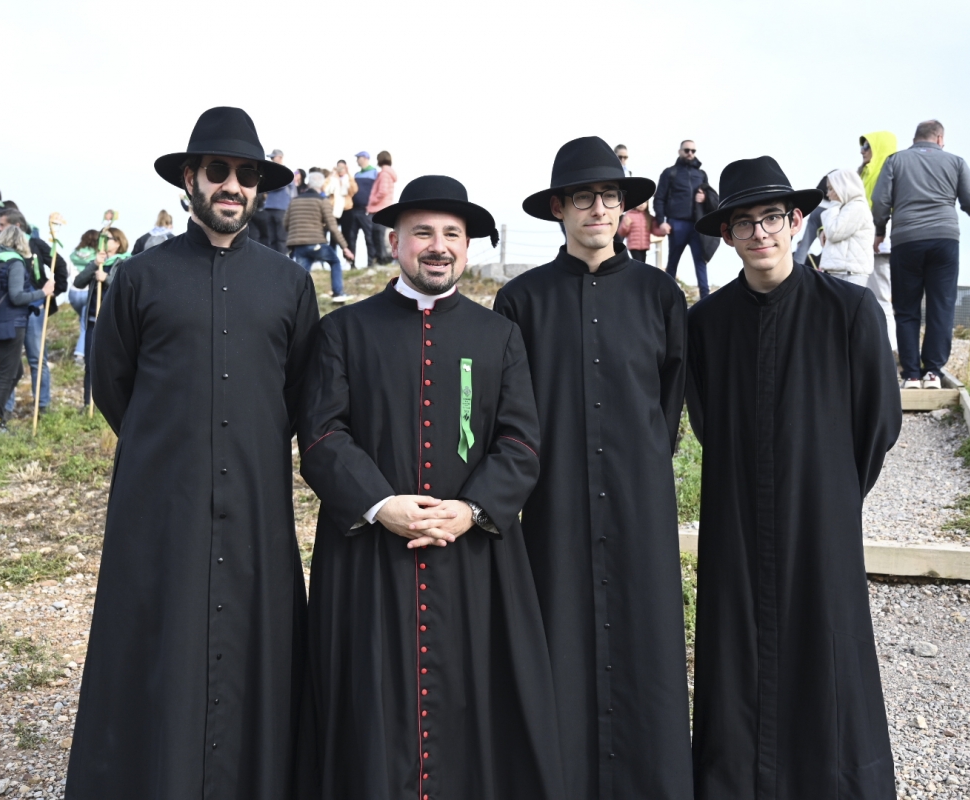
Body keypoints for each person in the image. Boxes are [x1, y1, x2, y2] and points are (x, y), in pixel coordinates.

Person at [66, 107, 319, 800]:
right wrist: (176, 444)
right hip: (161, 502)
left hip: (257, 507)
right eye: (218, 172)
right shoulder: (139, 279)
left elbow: (300, 389)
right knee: (158, 646)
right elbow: (113, 385)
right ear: (191, 178)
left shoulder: (291, 284)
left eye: (245, 175)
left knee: (254, 648)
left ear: (260, 187)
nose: (231, 185)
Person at [299, 174, 564, 800]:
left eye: (453, 234)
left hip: (472, 555)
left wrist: (472, 509)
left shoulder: (497, 335)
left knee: (473, 703)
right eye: (423, 233)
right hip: (370, 554)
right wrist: (381, 503)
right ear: (396, 241)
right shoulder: (343, 331)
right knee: (371, 706)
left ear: (467, 248)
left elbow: (521, 440)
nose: (438, 246)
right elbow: (320, 435)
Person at [686, 156, 901, 799]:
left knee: (828, 650)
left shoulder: (850, 311)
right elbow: (705, 419)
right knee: (735, 654)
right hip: (737, 522)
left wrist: (829, 488)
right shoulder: (707, 324)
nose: (760, 233)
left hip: (821, 517)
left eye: (772, 218)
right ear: (727, 236)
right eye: (744, 222)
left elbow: (878, 422)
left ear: (796, 221)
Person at [493, 137, 694, 800]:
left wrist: (636, 464)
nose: (599, 209)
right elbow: (511, 408)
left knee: (649, 650)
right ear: (559, 209)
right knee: (560, 643)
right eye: (584, 198)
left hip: (640, 505)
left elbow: (669, 402)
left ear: (624, 208)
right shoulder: (521, 302)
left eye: (610, 197)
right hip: (555, 505)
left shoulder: (659, 294)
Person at [871, 120, 970, 389]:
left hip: (906, 240)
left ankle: (912, 374)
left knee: (906, 308)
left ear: (916, 139)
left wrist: (879, 230)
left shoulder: (895, 161)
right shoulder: (955, 162)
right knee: (941, 306)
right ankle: (933, 373)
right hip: (944, 240)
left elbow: (880, 201)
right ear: (939, 138)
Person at [0, 224, 54, 430]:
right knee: (7, 374)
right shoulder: (15, 263)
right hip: (11, 324)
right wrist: (43, 293)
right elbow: (17, 297)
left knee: (15, 370)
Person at [72, 226, 129, 408]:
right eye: (101, 240)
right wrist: (94, 265)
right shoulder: (97, 262)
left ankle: (111, 405)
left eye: (108, 239)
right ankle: (88, 403)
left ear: (118, 242)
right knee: (90, 365)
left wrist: (107, 279)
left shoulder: (124, 263)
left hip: (112, 322)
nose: (103, 243)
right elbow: (78, 282)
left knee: (111, 366)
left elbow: (126, 290)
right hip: (92, 320)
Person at [654, 139, 712, 296]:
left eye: (693, 151)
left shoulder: (701, 174)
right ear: (680, 151)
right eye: (687, 150)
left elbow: (711, 197)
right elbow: (659, 198)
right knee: (672, 263)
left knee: (701, 263)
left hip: (697, 225)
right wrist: (661, 222)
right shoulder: (670, 173)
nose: (690, 153)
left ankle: (705, 299)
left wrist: (705, 198)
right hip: (676, 224)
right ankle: (666, 298)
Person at [285, 171, 354, 302]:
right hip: (316, 243)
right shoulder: (322, 201)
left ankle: (296, 301)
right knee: (335, 261)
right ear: (322, 185)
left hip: (298, 246)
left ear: (308, 183)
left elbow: (286, 223)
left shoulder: (294, 201)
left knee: (301, 274)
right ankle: (338, 293)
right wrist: (345, 247)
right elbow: (333, 227)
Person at [859, 131, 899, 353]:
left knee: (882, 297)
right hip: (869, 244)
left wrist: (880, 234)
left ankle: (891, 348)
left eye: (867, 145)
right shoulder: (865, 173)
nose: (863, 151)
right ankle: (882, 347)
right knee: (875, 297)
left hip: (883, 244)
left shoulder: (889, 172)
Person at [818, 169, 875, 286]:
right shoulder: (849, 207)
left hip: (849, 275)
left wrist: (833, 205)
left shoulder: (856, 207)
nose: (828, 194)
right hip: (843, 273)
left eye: (830, 189)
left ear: (842, 186)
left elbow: (834, 233)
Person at [249, 148, 293, 253]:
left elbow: (278, 185)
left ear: (280, 158)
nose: (272, 159)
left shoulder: (285, 172)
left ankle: (282, 263)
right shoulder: (272, 172)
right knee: (271, 238)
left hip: (281, 209)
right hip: (269, 208)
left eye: (274, 157)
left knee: (281, 238)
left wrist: (266, 188)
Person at [68, 230, 99, 363]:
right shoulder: (97, 255)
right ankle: (80, 354)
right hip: (88, 291)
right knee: (85, 324)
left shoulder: (73, 254)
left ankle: (81, 349)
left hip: (74, 291)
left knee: (82, 319)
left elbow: (68, 270)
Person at [345, 151, 379, 265]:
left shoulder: (375, 173)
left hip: (366, 211)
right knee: (351, 237)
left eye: (358, 158)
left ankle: (371, 263)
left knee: (369, 237)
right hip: (354, 210)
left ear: (365, 158)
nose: (357, 160)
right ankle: (352, 264)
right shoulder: (356, 175)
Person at [365, 150, 397, 266]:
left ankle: (382, 258)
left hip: (379, 208)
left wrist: (372, 201)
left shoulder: (384, 174)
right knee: (379, 235)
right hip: (383, 206)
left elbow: (382, 191)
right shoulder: (386, 173)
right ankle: (382, 257)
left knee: (378, 235)